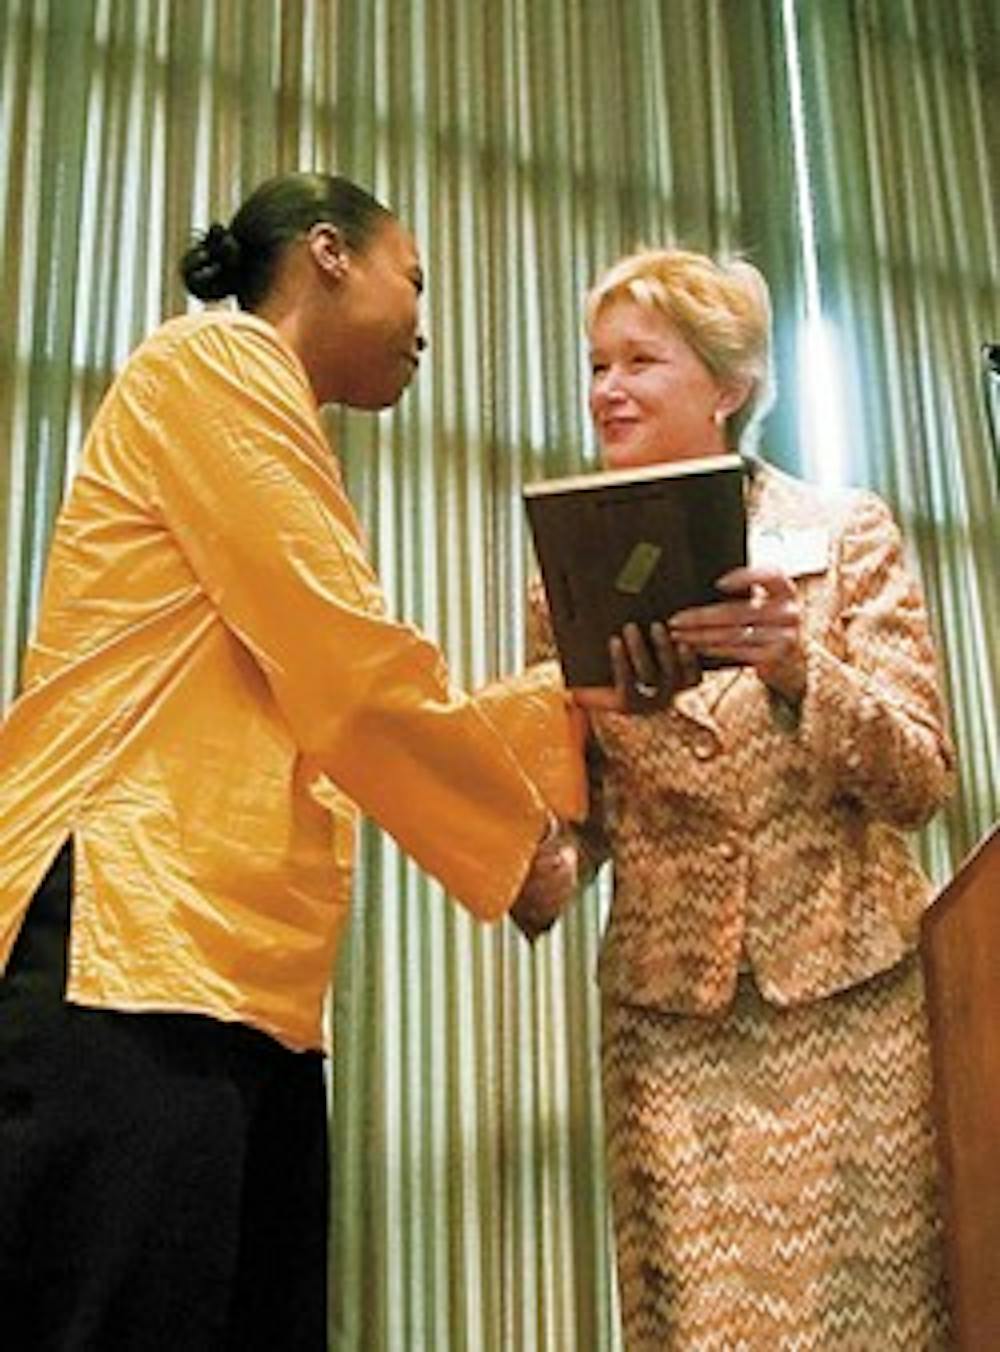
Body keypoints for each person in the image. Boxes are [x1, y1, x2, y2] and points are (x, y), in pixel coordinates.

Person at [0, 171, 669, 1352]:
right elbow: (350, 673)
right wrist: (524, 854)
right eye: (414, 277)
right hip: (127, 947)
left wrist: (575, 701)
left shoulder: (272, 428)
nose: (425, 322)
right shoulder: (212, 365)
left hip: (242, 973)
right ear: (327, 253)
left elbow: (339, 694)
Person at [514, 246, 955, 1347]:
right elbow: (578, 825)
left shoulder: (847, 532)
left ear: (726, 386)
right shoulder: (560, 581)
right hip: (671, 1026)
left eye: (639, 361)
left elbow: (919, 781)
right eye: (596, 362)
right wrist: (521, 849)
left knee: (875, 1324)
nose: (605, 388)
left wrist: (800, 664)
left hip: (854, 1006)